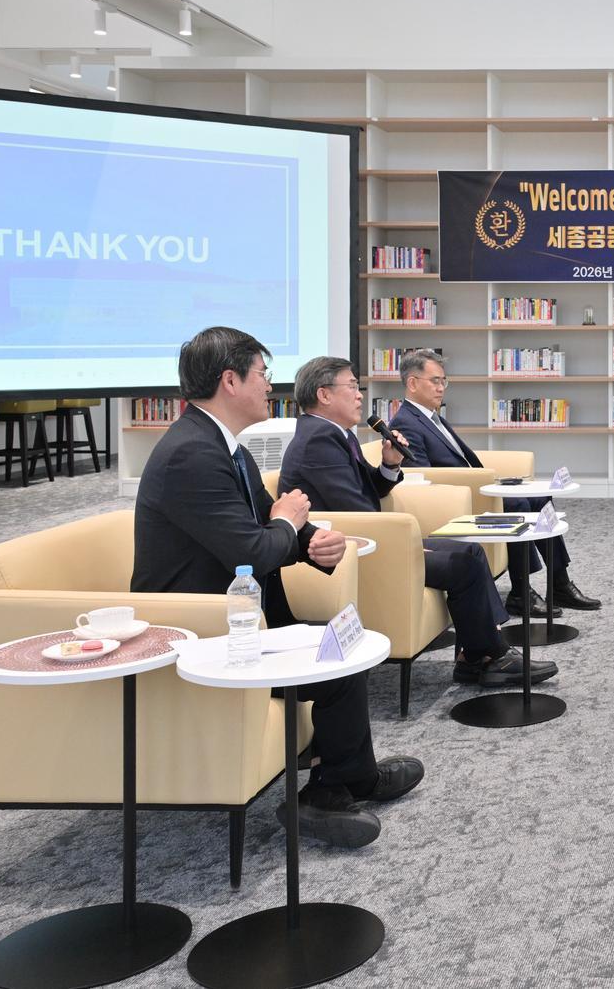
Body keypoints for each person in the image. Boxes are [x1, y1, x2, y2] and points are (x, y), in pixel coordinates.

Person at [132, 327, 422, 849]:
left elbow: (265, 521)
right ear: (229, 380)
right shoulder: (191, 455)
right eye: (262, 374)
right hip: (207, 628)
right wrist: (290, 524)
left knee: (340, 647)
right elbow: (254, 547)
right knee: (334, 657)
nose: (271, 385)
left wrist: (312, 540)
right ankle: (322, 797)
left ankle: (351, 777)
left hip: (246, 612)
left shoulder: (224, 446)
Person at [278, 356, 558, 689]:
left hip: (375, 536)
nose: (359, 395)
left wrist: (390, 464)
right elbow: (354, 509)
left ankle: (477, 657)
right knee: (464, 559)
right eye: (352, 386)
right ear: (324, 395)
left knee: (467, 552)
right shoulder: (318, 441)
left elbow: (372, 487)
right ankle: (490, 656)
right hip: (356, 548)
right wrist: (407, 538)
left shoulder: (336, 435)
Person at [390, 349, 601, 615]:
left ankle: (559, 582)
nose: (441, 387)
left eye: (444, 380)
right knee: (517, 503)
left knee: (539, 498)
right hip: (457, 501)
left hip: (475, 488)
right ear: (412, 383)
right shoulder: (406, 423)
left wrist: (491, 480)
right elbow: (422, 477)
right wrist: (480, 484)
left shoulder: (431, 416)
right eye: (435, 381)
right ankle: (520, 591)